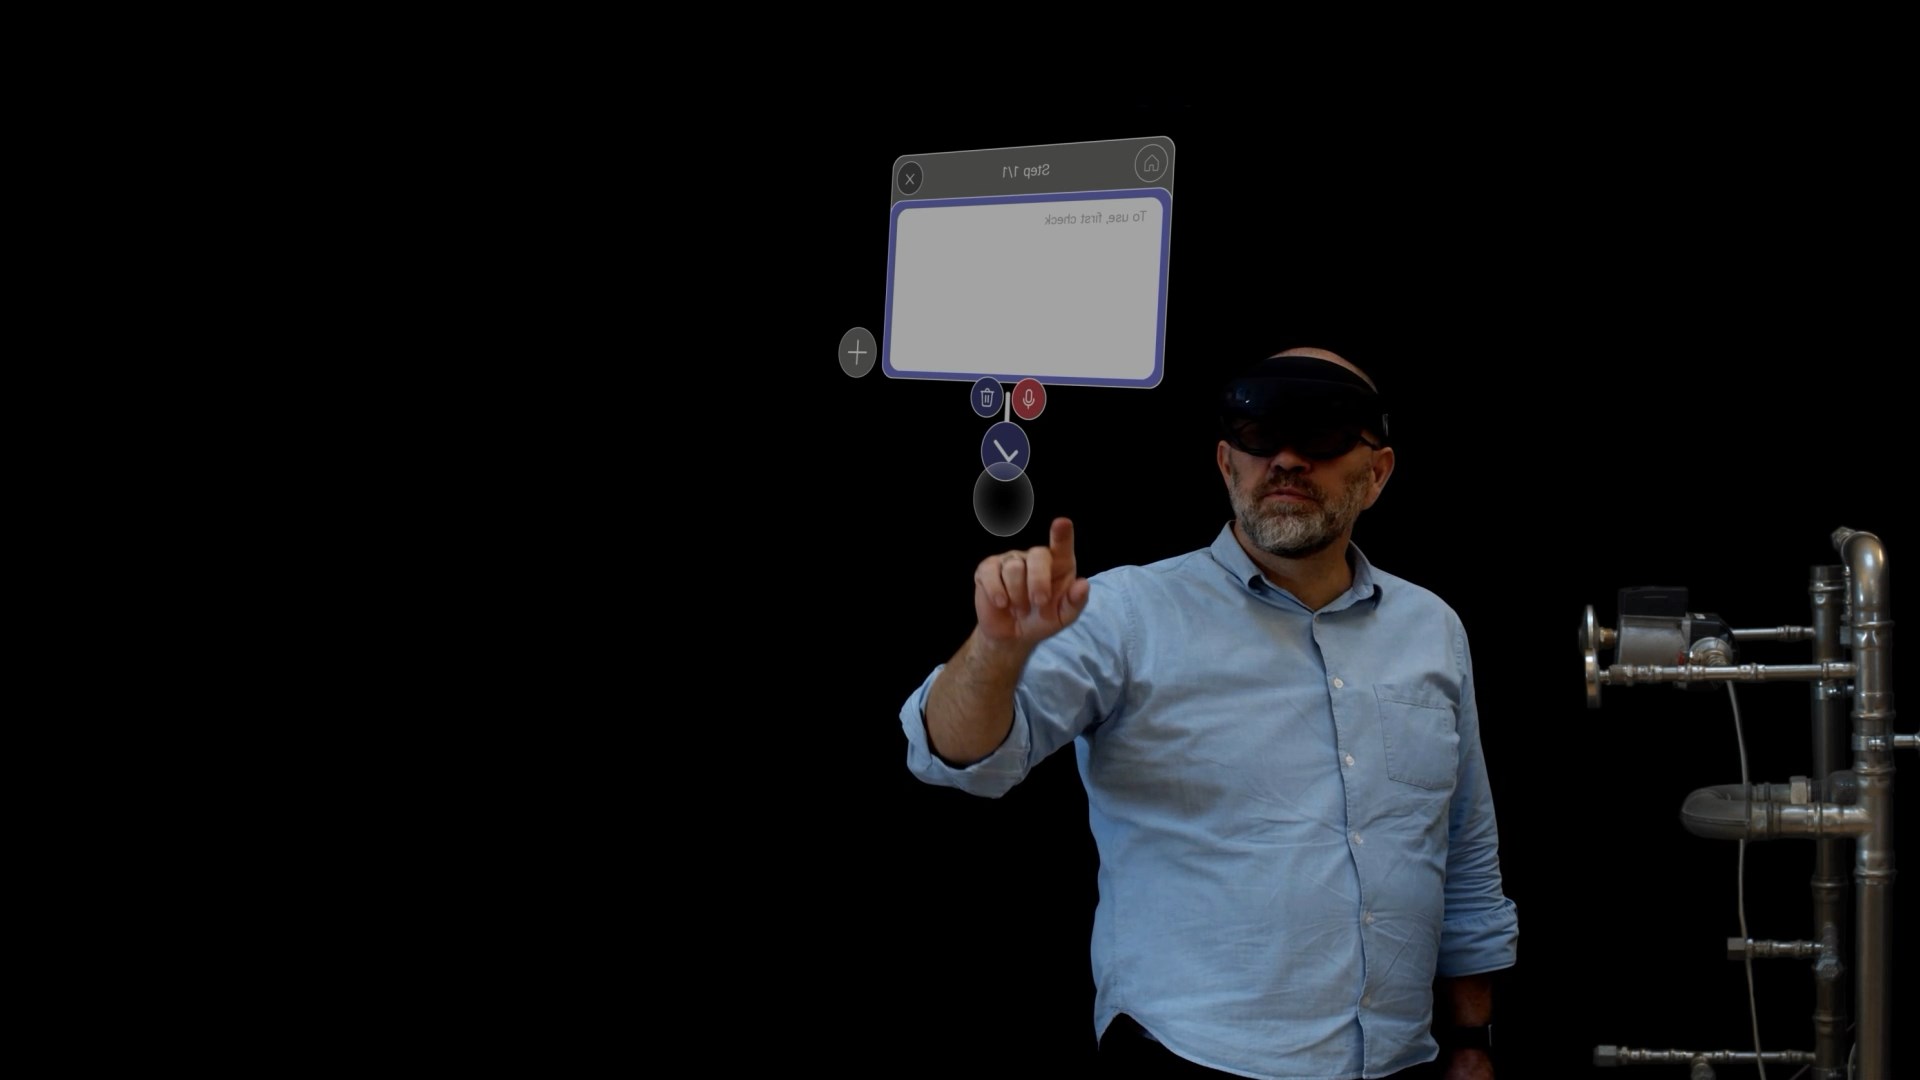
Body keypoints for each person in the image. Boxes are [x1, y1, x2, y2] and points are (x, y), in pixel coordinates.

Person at [898, 348, 1517, 1079]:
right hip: (1191, 1058)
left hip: (1399, 1061)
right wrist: (996, 650)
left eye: (1321, 435)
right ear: (1227, 465)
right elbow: (957, 759)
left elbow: (1465, 849)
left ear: (1377, 473)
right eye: (1259, 434)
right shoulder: (1126, 614)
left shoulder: (1433, 628)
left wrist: (1472, 1040)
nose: (1286, 459)